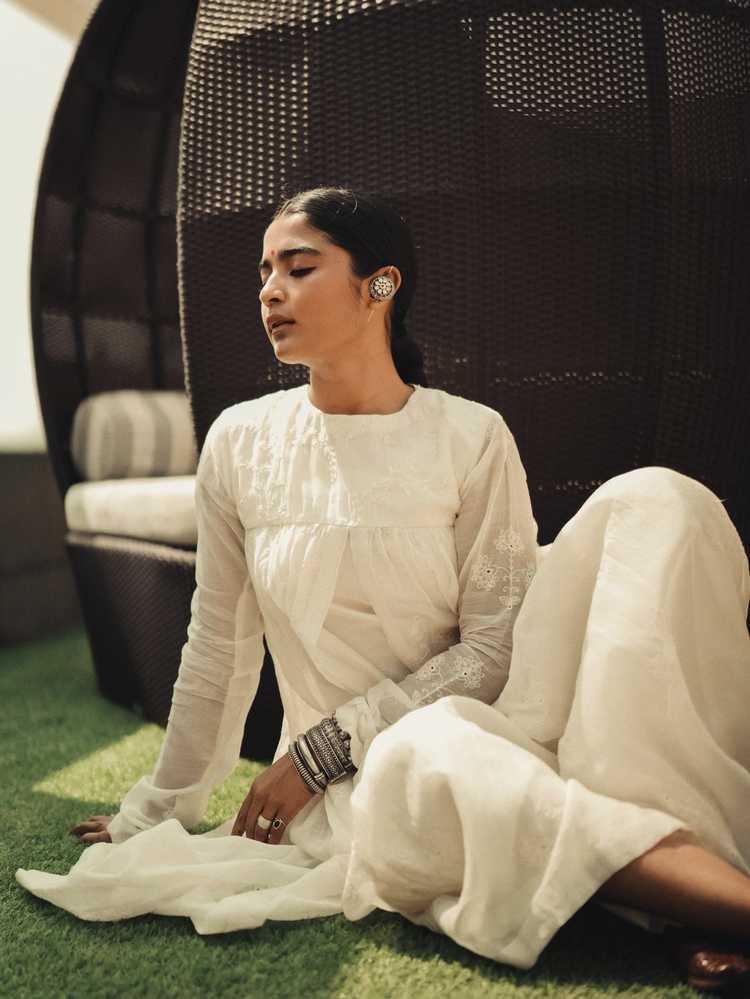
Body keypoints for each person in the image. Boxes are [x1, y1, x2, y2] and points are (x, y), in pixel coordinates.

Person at [16, 187, 750, 992]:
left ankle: (701, 877)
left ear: (380, 285)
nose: (270, 291)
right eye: (264, 272)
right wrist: (159, 809)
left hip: (500, 708)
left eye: (299, 268)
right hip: (389, 773)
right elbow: (218, 646)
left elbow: (496, 646)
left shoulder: (470, 434)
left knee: (661, 498)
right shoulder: (239, 442)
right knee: (429, 753)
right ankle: (715, 906)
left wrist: (329, 743)